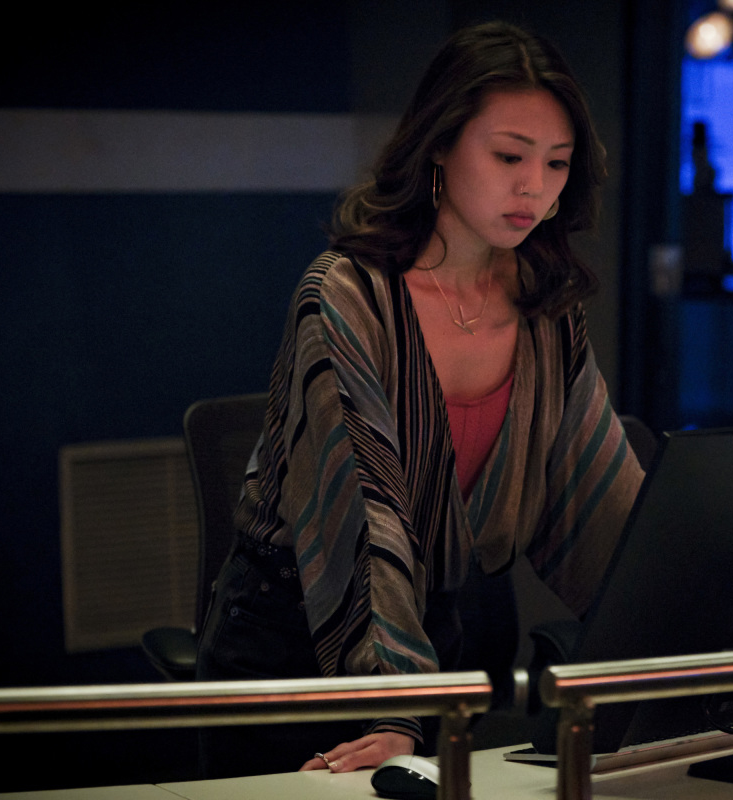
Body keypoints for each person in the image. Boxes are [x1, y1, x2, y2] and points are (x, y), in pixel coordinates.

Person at [194, 20, 645, 778]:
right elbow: (361, 513)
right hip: (293, 649)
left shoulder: (544, 305)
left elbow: (604, 498)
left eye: (557, 162)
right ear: (439, 144)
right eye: (508, 156)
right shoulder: (345, 294)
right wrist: (396, 705)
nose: (534, 186)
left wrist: (706, 634)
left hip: (441, 649)